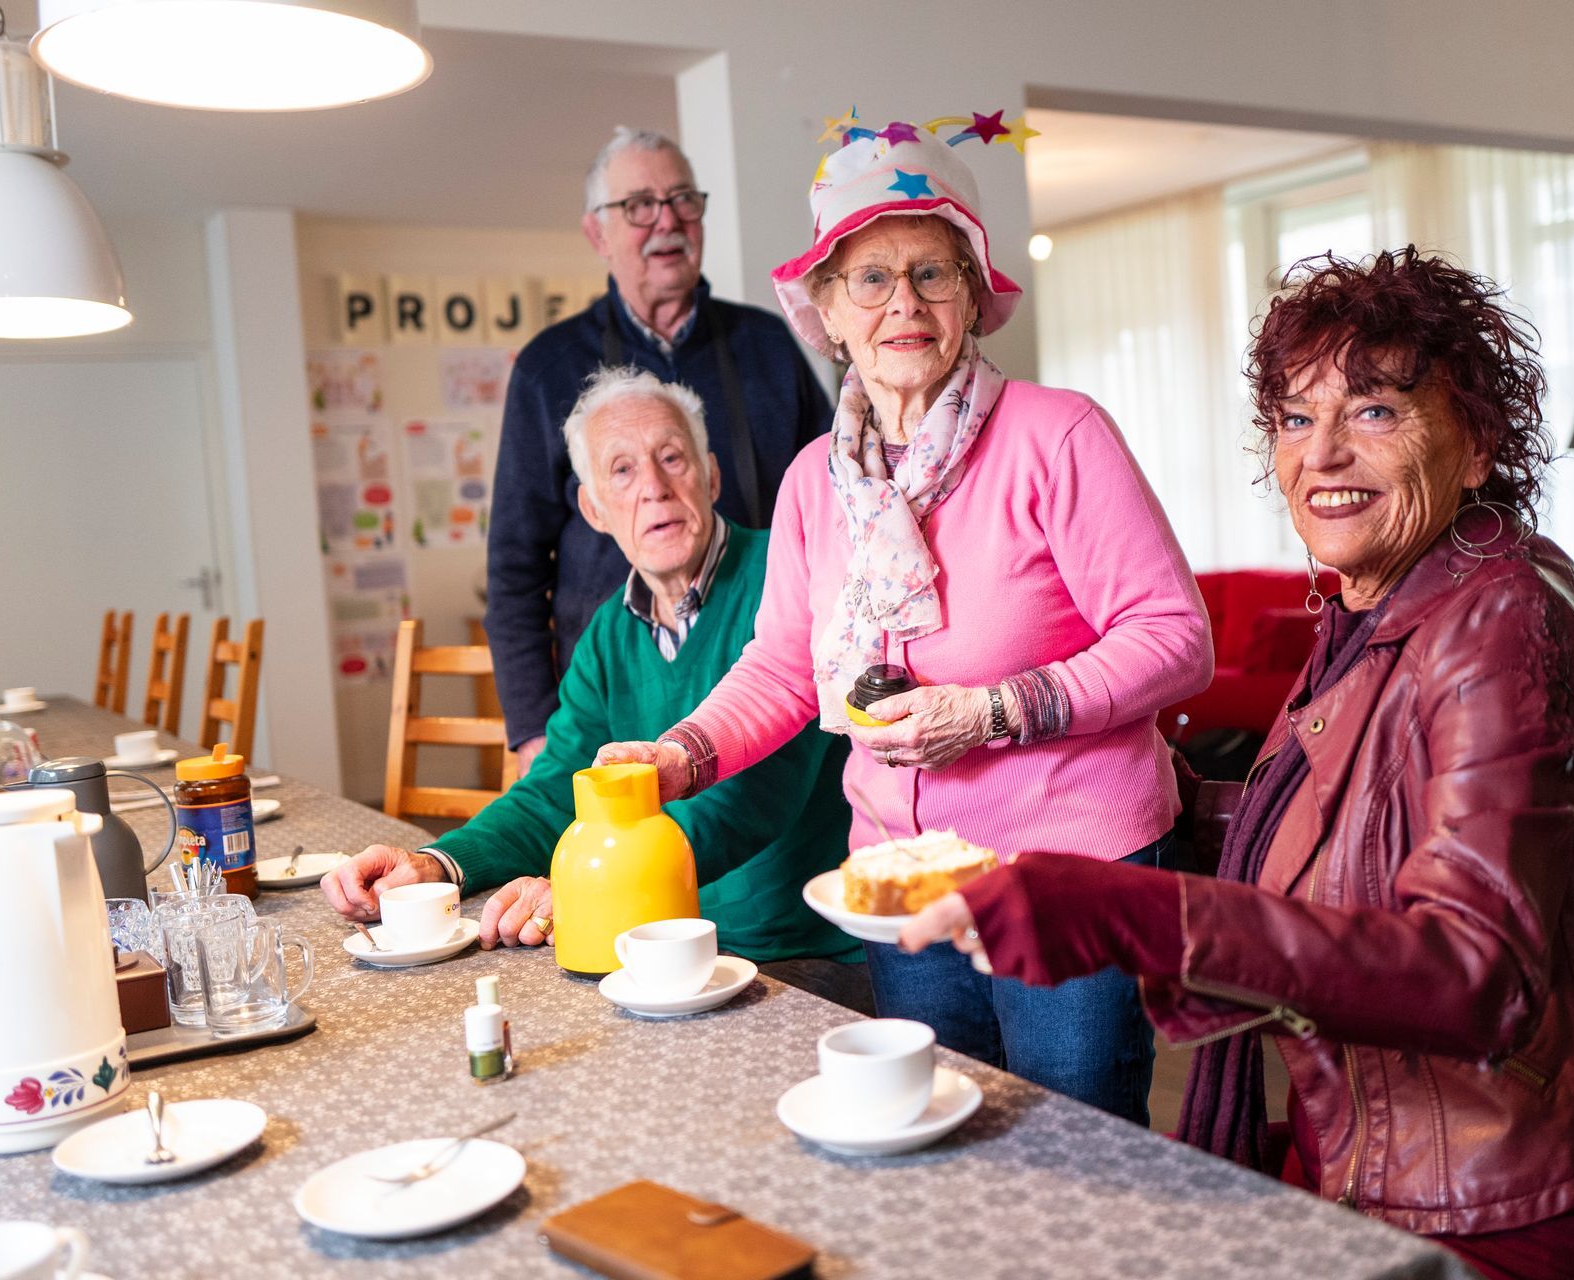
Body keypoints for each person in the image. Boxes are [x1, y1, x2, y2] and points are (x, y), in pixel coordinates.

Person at [902, 248, 1574, 1279]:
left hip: (1491, 1209)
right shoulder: (1394, 600)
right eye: (1297, 418)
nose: (1323, 455)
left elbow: (1470, 971)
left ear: (1478, 441)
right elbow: (1358, 821)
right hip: (1369, 1157)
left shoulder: (1500, 631)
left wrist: (1127, 911)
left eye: (1377, 411)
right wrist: (1174, 800)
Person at [591, 115, 1213, 1126]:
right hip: (896, 880)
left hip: (1069, 872)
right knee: (938, 1130)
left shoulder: (1059, 435)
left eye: (933, 272)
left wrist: (996, 709)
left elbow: (1175, 637)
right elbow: (785, 665)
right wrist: (681, 753)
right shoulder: (811, 483)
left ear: (972, 297)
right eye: (870, 278)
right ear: (827, 312)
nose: (904, 302)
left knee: (1082, 1150)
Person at [325, 367, 866, 1010]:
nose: (655, 490)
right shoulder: (609, 632)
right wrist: (437, 865)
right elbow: (556, 789)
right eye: (623, 471)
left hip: (796, 953)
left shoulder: (785, 575)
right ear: (593, 509)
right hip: (654, 944)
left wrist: (590, 886)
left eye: (672, 458)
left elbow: (755, 794)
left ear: (712, 475)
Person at [487, 126, 834, 773]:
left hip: (770, 692)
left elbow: (836, 507)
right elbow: (514, 570)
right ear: (598, 233)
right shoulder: (546, 369)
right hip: (614, 703)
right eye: (639, 205)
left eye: (682, 200)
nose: (667, 221)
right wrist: (537, 735)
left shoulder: (769, 344)